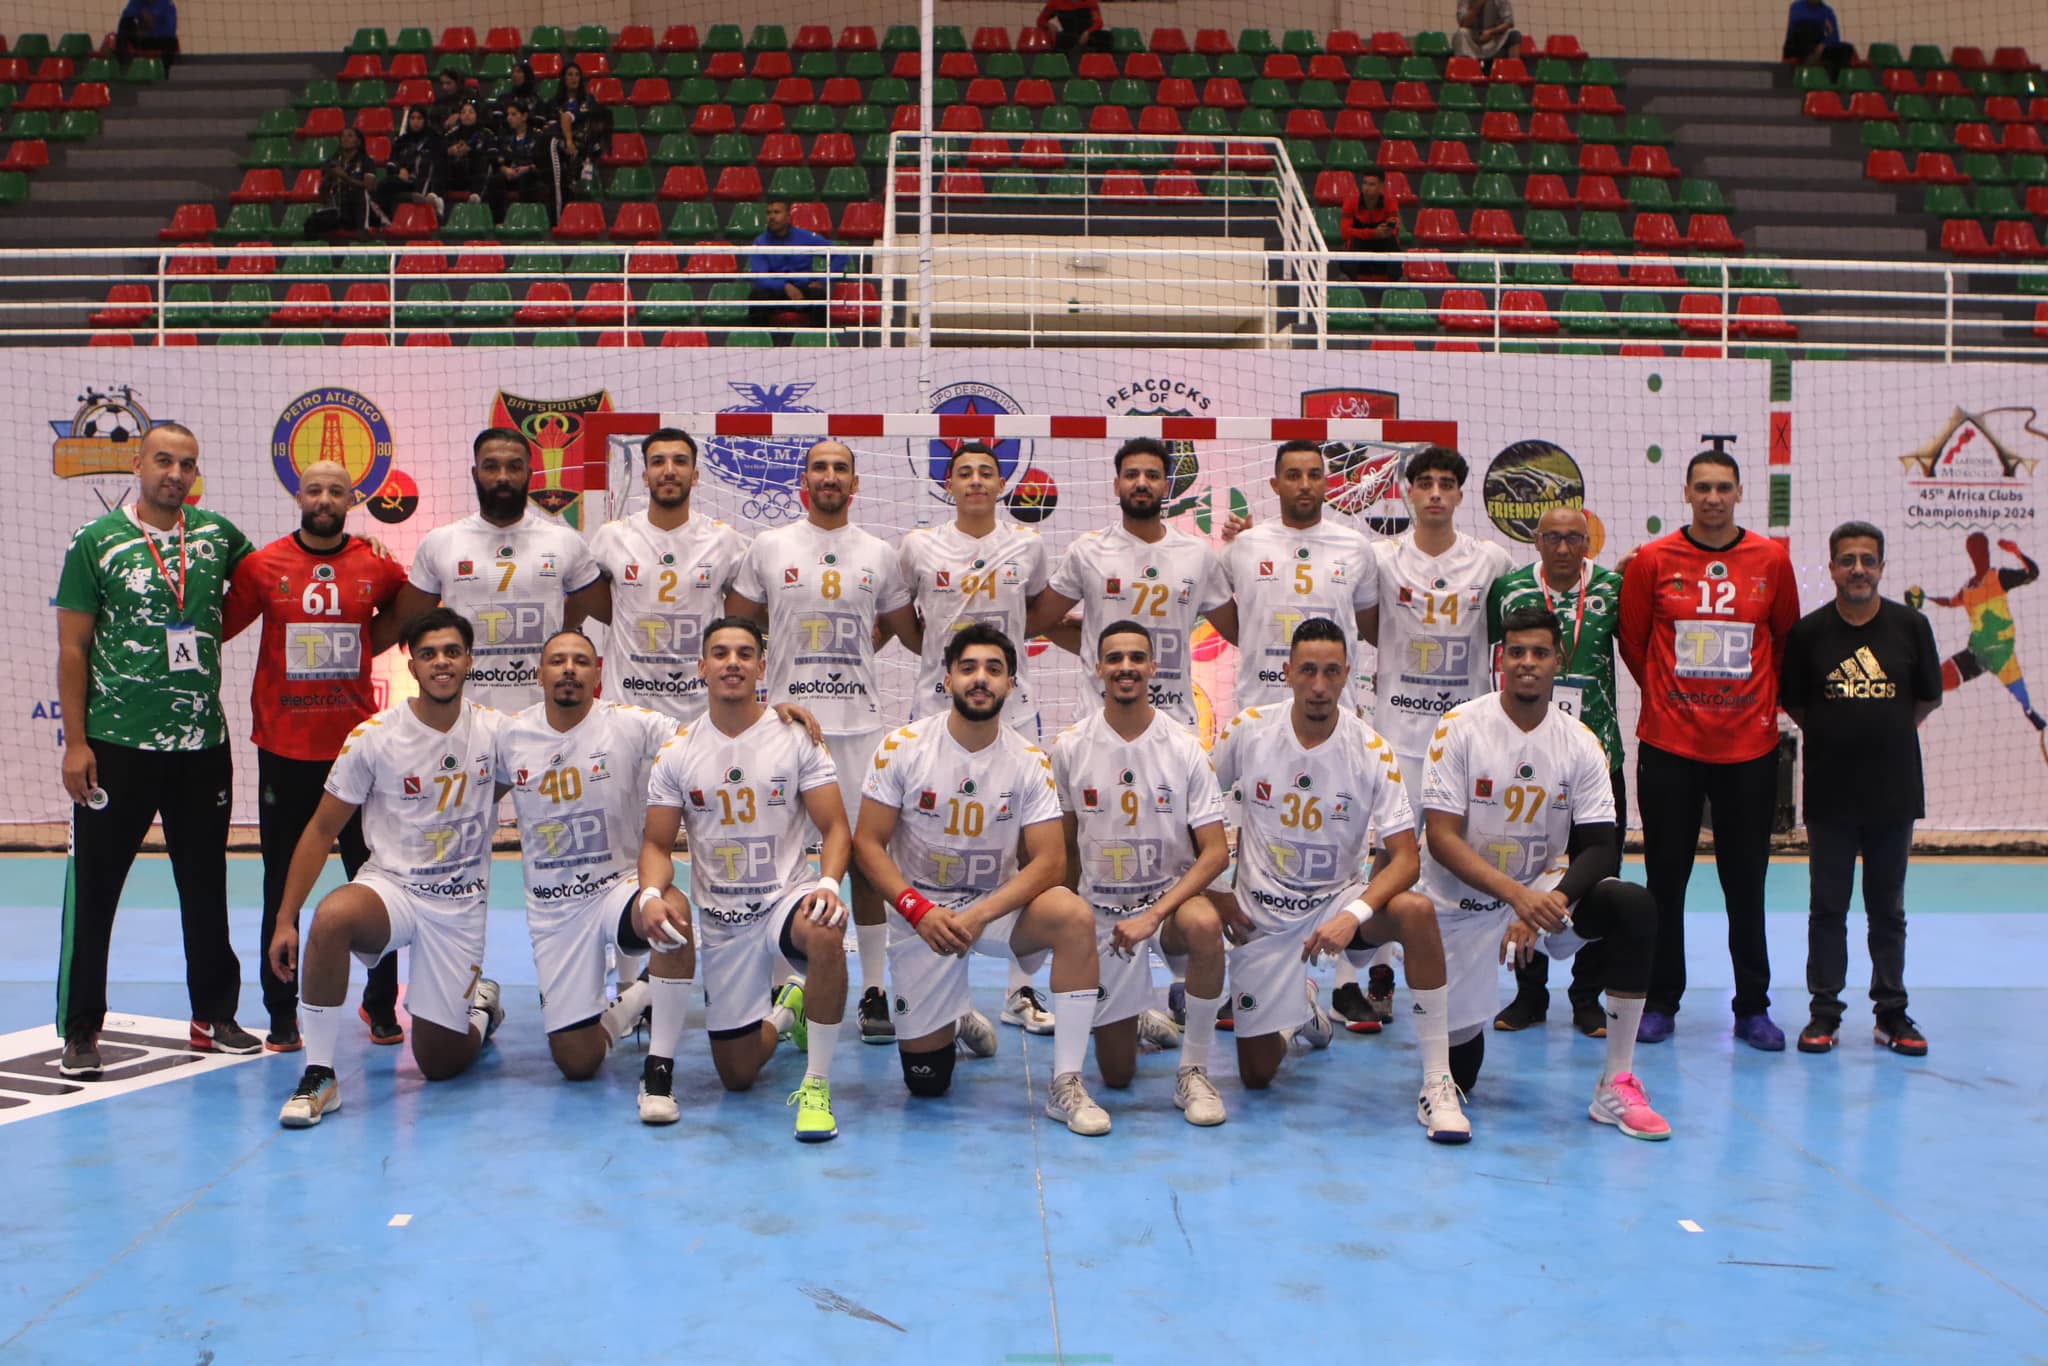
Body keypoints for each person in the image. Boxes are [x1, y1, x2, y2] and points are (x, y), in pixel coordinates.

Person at [1417, 607, 1672, 1142]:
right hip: (1461, 905)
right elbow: (1440, 837)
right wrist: (1517, 899)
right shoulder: (1460, 728)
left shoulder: (1579, 740)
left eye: (1539, 652)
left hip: (1541, 896)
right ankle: (1440, 1072)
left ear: (1559, 660)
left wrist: (1549, 900)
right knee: (1464, 1076)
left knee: (1634, 904)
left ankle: (1616, 1082)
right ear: (1500, 660)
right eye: (1516, 652)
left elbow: (1602, 846)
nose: (1527, 663)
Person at [53, 422, 259, 1078]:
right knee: (97, 891)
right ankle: (82, 1029)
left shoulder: (218, 535)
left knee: (206, 884)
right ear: (137, 463)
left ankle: (215, 1014)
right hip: (117, 748)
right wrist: (76, 743)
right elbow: (73, 650)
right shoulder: (96, 542)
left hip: (203, 746)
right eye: (163, 460)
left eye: (187, 463)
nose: (175, 472)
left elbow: (271, 580)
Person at [854, 624, 1112, 1136]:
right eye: (969, 667)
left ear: (1012, 684)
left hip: (993, 911)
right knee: (927, 1084)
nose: (980, 679)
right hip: (921, 914)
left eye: (994, 670)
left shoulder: (1029, 761)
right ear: (946, 678)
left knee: (1073, 915)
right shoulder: (902, 747)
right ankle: (955, 1013)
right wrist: (916, 910)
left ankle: (1067, 1082)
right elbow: (866, 842)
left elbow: (1050, 863)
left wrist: (980, 914)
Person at [1208, 618, 1461, 1139]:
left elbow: (1407, 859)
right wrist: (1217, 892)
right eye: (1307, 671)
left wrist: (1355, 914)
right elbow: (1198, 812)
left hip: (1336, 903)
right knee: (1256, 1078)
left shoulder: (1371, 749)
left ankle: (1438, 1081)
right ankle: (1301, 1012)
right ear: (1287, 673)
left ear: (1347, 674)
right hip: (1262, 913)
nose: (1319, 685)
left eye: (1330, 672)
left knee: (1416, 910)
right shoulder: (1248, 730)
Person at [269, 609, 506, 1128]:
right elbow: (319, 830)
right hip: (393, 888)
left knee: (439, 1064)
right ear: (412, 664)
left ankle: (481, 1009)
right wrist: (287, 918)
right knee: (332, 918)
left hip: (459, 905)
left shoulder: (497, 734)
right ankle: (319, 1074)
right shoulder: (374, 736)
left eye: (451, 651)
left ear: (469, 660)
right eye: (427, 654)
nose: (440, 662)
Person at [727, 439, 919, 1045]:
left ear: (855, 482)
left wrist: (852, 662)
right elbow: (740, 629)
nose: (829, 476)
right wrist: (769, 695)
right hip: (787, 728)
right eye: (819, 467)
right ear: (802, 480)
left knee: (865, 859)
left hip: (860, 725)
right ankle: (789, 985)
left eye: (840, 467)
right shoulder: (769, 546)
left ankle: (872, 989)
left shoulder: (879, 554)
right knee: (783, 858)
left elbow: (900, 630)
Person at [636, 617, 854, 1138]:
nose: (732, 662)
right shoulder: (678, 751)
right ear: (702, 668)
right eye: (720, 653)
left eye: (743, 653)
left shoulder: (797, 737)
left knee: (825, 930)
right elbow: (656, 845)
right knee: (736, 1075)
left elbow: (837, 826)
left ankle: (818, 1085)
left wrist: (827, 884)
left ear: (761, 666)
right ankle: (787, 1012)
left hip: (785, 900)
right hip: (722, 919)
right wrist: (648, 893)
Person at [222, 459, 410, 1053]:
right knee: (282, 884)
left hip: (357, 754)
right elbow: (217, 627)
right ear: (298, 495)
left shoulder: (377, 563)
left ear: (352, 499)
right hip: (284, 750)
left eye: (336, 490)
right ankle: (282, 1013)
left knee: (375, 879)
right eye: (314, 489)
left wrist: (365, 644)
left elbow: (407, 609)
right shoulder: (262, 566)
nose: (325, 498)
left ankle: (380, 1003)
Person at [1619, 448, 1800, 1049]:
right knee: (1664, 882)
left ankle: (1752, 1007)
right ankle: (1661, 1001)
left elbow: (1785, 639)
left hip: (1749, 751)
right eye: (1703, 487)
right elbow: (1637, 640)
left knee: (1745, 882)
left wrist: (1747, 708)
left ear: (1740, 493)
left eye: (1724, 487)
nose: (1713, 497)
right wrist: (1671, 701)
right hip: (1670, 746)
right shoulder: (1653, 559)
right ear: (1687, 492)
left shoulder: (1772, 560)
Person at [897, 440, 1059, 1035]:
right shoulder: (918, 546)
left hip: (1012, 713)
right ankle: (942, 994)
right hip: (935, 710)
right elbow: (907, 623)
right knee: (928, 842)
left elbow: (1036, 615)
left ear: (1001, 483)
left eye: (985, 473)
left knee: (1020, 845)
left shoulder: (1028, 544)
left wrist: (992, 667)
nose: (974, 482)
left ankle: (1020, 991)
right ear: (948, 485)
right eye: (963, 473)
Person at [1354, 446, 1513, 1025]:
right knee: (1389, 861)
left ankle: (1451, 978)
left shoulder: (1491, 560)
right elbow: (1371, 628)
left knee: (1454, 864)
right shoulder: (1381, 558)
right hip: (1397, 736)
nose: (1437, 493)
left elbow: (1504, 630)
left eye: (1448, 483)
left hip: (1461, 742)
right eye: (1426, 483)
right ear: (1409, 493)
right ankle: (1372, 973)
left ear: (1461, 494)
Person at [1051, 621, 1231, 1125]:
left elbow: (1215, 853)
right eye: (1114, 658)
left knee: (1204, 924)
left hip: (1165, 909)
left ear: (1154, 667)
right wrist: (1072, 929)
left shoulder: (1183, 746)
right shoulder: (1070, 748)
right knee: (1116, 1076)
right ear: (1097, 669)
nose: (1125, 667)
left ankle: (1193, 1069)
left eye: (1136, 658)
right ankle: (1136, 1014)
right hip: (1104, 916)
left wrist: (1155, 914)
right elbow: (1064, 847)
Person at [1780, 522, 1940, 1058]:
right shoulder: (1808, 635)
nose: (1857, 570)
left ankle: (1891, 1013)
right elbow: (1797, 707)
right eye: (1847, 560)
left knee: (1887, 909)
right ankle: (1824, 1013)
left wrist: (1881, 734)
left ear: (1881, 567)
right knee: (1827, 907)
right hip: (1830, 795)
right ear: (1831, 568)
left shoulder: (1911, 626)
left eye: (1867, 560)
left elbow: (1925, 700)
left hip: (1893, 793)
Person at [497, 631, 684, 1081]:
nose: (568, 669)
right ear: (539, 674)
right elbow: (463, 784)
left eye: (580, 661)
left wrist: (767, 719)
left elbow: (704, 738)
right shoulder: (508, 735)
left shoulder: (628, 722)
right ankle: (636, 999)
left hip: (616, 890)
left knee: (673, 912)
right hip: (554, 910)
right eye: (557, 660)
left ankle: (660, 1062)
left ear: (597, 674)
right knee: (577, 1063)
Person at [1487, 505, 1627, 1038]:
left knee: (1600, 876)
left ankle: (1588, 995)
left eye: (1574, 538)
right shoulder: (1510, 589)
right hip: (1528, 758)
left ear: (1588, 541)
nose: (1564, 548)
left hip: (1597, 755)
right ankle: (1529, 997)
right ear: (1537, 540)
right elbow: (1493, 656)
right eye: (1553, 538)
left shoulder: (1614, 589)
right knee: (1529, 870)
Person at [393, 426, 604, 712]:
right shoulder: (440, 542)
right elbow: (406, 623)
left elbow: (613, 611)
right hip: (466, 714)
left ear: (529, 474)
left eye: (514, 467)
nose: (503, 477)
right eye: (491, 467)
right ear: (474, 473)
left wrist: (559, 626)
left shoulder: (564, 541)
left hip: (544, 715)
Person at [1035, 437, 1234, 731]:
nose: (1142, 483)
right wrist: (1092, 639)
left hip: (1173, 722)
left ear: (1167, 487)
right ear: (1117, 485)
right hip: (1098, 720)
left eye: (1152, 476)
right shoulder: (1088, 550)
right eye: (1131, 475)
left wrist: (1248, 550)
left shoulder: (1198, 553)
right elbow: (1037, 622)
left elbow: (1242, 631)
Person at [584, 428, 749, 722]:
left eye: (680, 461)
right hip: (626, 712)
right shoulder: (612, 537)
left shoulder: (724, 540)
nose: (669, 471)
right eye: (658, 462)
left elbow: (748, 612)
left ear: (695, 476)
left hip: (699, 713)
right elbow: (586, 599)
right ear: (645, 476)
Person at [1924, 532, 2043, 735]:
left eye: (1982, 549)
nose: (1978, 554)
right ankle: (1911, 722)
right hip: (1977, 653)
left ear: (1987, 552)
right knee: (1934, 681)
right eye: (1974, 550)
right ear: (1970, 554)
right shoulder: (1968, 589)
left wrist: (2016, 551)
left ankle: (2034, 718)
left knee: (2025, 704)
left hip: (2002, 653)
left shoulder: (1998, 577)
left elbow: (2032, 573)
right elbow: (1951, 602)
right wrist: (1927, 599)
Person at [746, 199, 845, 342]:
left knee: (819, 296)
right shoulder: (760, 242)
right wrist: (785, 287)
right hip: (775, 291)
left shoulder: (805, 237)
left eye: (777, 212)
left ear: (788, 217)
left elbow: (840, 256)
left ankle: (817, 343)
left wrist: (823, 280)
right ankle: (759, 343)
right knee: (757, 296)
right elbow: (760, 277)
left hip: (803, 290)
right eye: (769, 213)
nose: (772, 217)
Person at [307, 127, 384, 237]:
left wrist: (345, 177)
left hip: (364, 209)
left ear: (358, 141)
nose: (345, 139)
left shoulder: (366, 161)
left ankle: (363, 231)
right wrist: (328, 178)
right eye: (343, 136)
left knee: (358, 193)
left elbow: (369, 187)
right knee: (312, 222)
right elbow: (323, 196)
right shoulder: (333, 162)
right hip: (341, 209)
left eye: (350, 136)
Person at [375, 106, 444, 224]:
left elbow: (440, 165)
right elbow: (391, 163)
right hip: (405, 180)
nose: (415, 122)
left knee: (426, 163)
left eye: (419, 118)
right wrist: (400, 169)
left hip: (426, 180)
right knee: (383, 186)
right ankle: (388, 221)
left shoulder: (434, 140)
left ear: (425, 120)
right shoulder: (401, 141)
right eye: (412, 118)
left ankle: (428, 204)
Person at [1339, 172, 1404, 284]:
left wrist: (1389, 228)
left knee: (1392, 241)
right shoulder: (1350, 202)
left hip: (1382, 242)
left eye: (1372, 184)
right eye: (1365, 183)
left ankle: (1396, 279)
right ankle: (1348, 278)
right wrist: (1373, 233)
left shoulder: (1389, 201)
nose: (1366, 188)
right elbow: (1345, 232)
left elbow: (1395, 223)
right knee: (1354, 241)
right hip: (1359, 243)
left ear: (1381, 186)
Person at [489, 101, 544, 219]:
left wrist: (527, 168)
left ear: (524, 116)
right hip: (510, 174)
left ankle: (525, 219)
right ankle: (498, 220)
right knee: (495, 179)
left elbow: (541, 162)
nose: (509, 118)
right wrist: (505, 169)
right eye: (508, 115)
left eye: (514, 114)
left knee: (527, 180)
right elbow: (498, 160)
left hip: (529, 173)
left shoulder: (537, 136)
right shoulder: (505, 137)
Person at [439, 102, 494, 207]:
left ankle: (476, 196)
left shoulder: (485, 133)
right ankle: (437, 198)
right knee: (439, 159)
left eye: (471, 112)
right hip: (455, 173)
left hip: (473, 173)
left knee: (482, 160)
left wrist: (470, 151)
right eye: (463, 112)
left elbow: (490, 153)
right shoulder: (452, 133)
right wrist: (450, 150)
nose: (466, 115)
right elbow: (441, 148)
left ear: (477, 115)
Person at [1782, 1, 1855, 79]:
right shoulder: (1796, 7)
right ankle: (1809, 61)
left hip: (1818, 46)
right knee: (1805, 31)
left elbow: (1834, 36)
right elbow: (1790, 33)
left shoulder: (1827, 12)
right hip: (1798, 46)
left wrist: (1824, 45)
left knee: (1846, 48)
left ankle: (1835, 83)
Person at [1452, 0, 1522, 65]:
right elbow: (1463, 24)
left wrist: (1491, 32)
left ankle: (1514, 72)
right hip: (1473, 39)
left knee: (1514, 34)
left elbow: (1509, 22)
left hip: (1494, 38)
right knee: (1461, 33)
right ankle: (1465, 69)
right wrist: (1477, 6)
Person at [115, 0, 179, 69]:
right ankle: (123, 67)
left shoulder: (168, 4)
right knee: (123, 31)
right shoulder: (137, 2)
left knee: (171, 42)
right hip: (143, 39)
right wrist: (135, 32)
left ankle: (164, 71)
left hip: (161, 41)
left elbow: (170, 32)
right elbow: (125, 22)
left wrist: (151, 28)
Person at [1037, 0, 1112, 52]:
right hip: (1069, 36)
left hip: (1088, 36)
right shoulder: (1055, 2)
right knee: (1058, 39)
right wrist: (1048, 25)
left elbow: (1099, 23)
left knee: (1106, 37)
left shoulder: (1090, 1)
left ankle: (1101, 64)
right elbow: (1040, 20)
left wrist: (1088, 32)